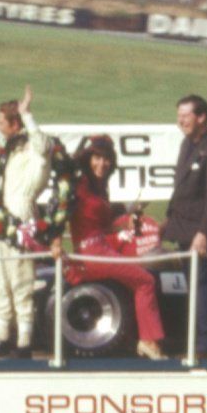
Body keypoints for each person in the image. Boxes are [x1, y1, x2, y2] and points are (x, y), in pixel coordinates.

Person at [0, 86, 74, 358]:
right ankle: (2, 338)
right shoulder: (7, 151)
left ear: (15, 124)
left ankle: (24, 341)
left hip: (21, 217)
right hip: (3, 219)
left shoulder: (36, 149)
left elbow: (44, 145)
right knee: (1, 284)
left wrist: (27, 114)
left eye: (1, 122)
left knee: (21, 284)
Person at [67, 134, 167, 360]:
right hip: (92, 252)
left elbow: (103, 224)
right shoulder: (79, 183)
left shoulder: (99, 186)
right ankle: (148, 340)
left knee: (146, 263)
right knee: (145, 280)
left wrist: (126, 219)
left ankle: (135, 335)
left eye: (107, 159)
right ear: (88, 158)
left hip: (103, 245)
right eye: (97, 158)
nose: (102, 164)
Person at [162, 94, 207, 360]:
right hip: (183, 229)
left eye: (186, 115)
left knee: (206, 289)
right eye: (179, 115)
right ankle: (197, 340)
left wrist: (203, 233)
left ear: (201, 117)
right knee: (195, 288)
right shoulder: (187, 144)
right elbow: (181, 187)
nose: (180, 121)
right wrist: (168, 219)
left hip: (203, 234)